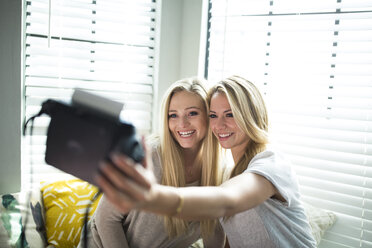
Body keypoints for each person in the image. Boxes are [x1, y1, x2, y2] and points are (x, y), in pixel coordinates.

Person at [96, 75, 318, 248]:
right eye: (214, 115)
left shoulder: (271, 164)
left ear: (251, 116)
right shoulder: (230, 174)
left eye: (230, 114)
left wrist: (152, 196)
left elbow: (224, 201)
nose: (219, 125)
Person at [78, 77, 225, 248]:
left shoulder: (220, 171)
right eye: (173, 115)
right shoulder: (148, 157)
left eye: (192, 113)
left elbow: (213, 228)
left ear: (209, 115)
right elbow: (106, 218)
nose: (182, 124)